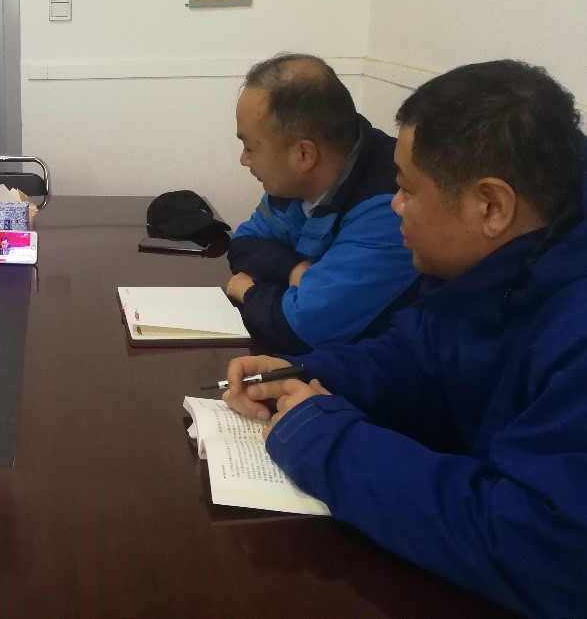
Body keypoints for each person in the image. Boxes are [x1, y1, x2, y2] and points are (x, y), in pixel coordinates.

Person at [222, 60, 587, 618]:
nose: (394, 207)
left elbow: (544, 549)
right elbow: (413, 356)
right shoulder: (490, 267)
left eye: (407, 190)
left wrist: (327, 441)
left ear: (491, 206)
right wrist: (303, 374)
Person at [226, 54, 419, 353]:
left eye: (250, 147)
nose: (243, 160)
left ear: (304, 154)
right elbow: (244, 244)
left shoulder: (391, 206)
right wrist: (294, 268)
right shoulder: (293, 184)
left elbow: (304, 326)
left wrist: (247, 290)